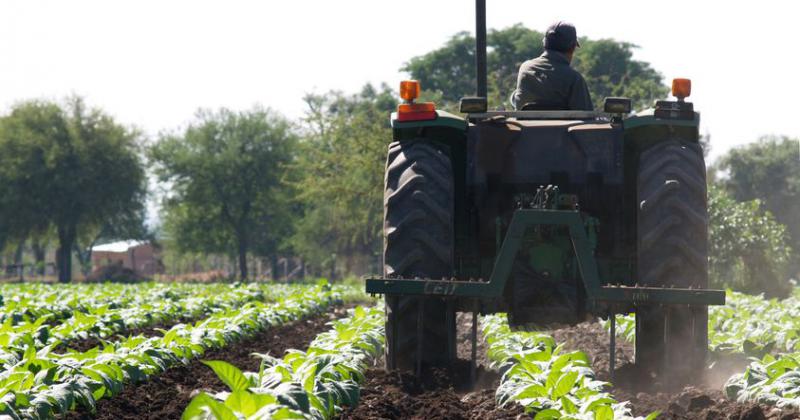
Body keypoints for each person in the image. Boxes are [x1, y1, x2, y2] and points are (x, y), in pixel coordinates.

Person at [510, 21, 593, 111]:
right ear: (572, 48)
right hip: (562, 125)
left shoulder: (525, 68)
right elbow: (586, 114)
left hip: (524, 124)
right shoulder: (574, 78)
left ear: (545, 44)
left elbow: (519, 100)